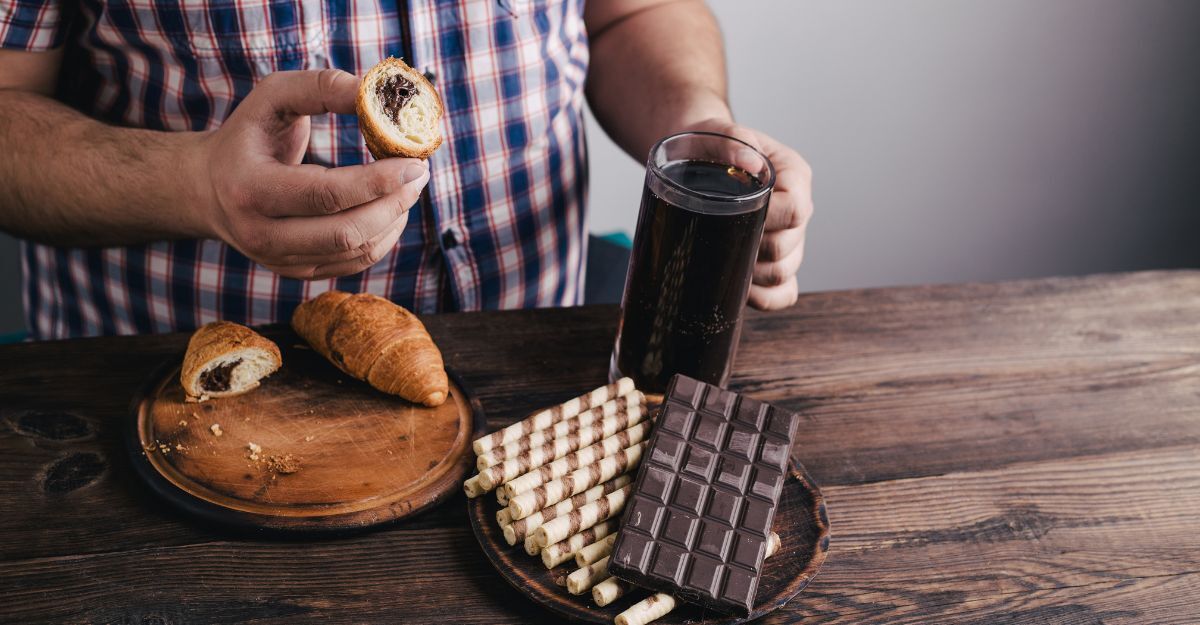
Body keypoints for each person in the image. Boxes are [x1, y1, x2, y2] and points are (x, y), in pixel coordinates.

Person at [0, 0, 812, 340]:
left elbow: (631, 11)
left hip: (534, 363)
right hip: (169, 409)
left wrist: (696, 127)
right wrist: (197, 184)